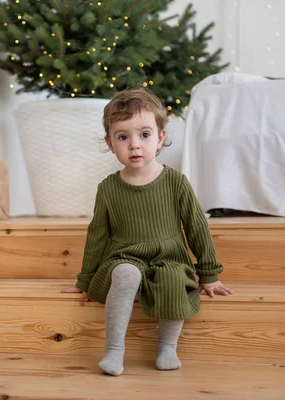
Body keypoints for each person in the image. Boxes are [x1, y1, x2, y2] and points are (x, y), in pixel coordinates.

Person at [62, 87, 234, 376]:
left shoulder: (175, 182)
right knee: (127, 274)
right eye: (123, 137)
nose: (134, 145)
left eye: (144, 134)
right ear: (110, 142)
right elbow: (97, 237)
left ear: (160, 138)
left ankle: (167, 347)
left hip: (169, 257)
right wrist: (85, 279)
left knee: (172, 280)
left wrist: (209, 274)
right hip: (123, 256)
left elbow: (196, 228)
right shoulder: (108, 188)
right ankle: (114, 351)